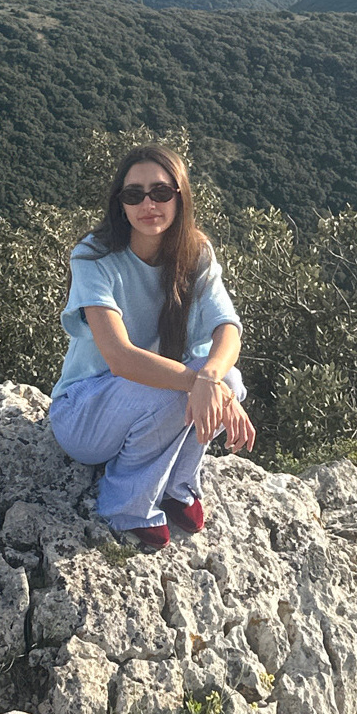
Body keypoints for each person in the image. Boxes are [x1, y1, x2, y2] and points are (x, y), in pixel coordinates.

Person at [48, 144, 256, 550]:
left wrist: (212, 379)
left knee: (228, 378)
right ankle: (125, 505)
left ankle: (177, 485)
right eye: (134, 194)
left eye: (160, 192)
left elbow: (228, 328)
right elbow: (120, 358)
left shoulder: (195, 253)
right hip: (84, 413)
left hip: (143, 401)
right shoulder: (93, 256)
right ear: (120, 203)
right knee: (182, 391)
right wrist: (201, 383)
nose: (148, 204)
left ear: (180, 197)